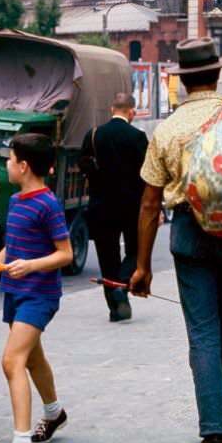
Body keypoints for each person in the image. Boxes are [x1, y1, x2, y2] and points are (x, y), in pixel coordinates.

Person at [129, 38, 222, 443]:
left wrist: (142, 265)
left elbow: (150, 205)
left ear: (181, 80)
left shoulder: (167, 130)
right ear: (218, 74)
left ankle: (213, 440)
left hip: (190, 233)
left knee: (204, 335)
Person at [0, 133, 72, 443]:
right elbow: (11, 248)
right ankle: (54, 413)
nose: (7, 165)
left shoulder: (47, 204)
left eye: (10, 160)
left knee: (12, 361)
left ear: (23, 166)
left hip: (39, 295)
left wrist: (31, 266)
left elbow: (65, 254)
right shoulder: (16, 201)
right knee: (31, 358)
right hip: (15, 291)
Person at [80, 92, 147, 322]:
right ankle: (122, 284)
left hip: (100, 207)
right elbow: (148, 175)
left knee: (107, 257)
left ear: (112, 109)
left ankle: (116, 308)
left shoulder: (94, 135)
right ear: (131, 112)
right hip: (131, 207)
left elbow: (83, 166)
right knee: (135, 252)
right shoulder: (138, 137)